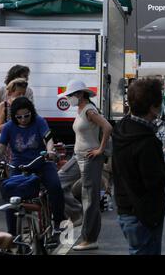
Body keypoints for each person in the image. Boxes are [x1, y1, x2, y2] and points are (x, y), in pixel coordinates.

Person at [112, 78, 165, 255]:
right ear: (153, 107)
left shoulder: (122, 129)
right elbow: (155, 180)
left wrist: (159, 154)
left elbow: (133, 162)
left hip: (125, 209)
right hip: (144, 214)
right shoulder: (148, 142)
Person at [0, 97, 65, 236]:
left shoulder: (39, 121)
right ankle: (12, 235)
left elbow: (48, 139)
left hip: (41, 163)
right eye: (19, 117)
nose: (23, 119)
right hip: (18, 166)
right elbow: (0, 146)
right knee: (12, 198)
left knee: (55, 187)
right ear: (14, 117)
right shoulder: (8, 127)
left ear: (31, 112)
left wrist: (49, 152)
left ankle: (58, 223)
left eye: (26, 115)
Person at [58, 80, 113, 251]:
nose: (69, 98)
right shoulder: (81, 109)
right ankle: (77, 215)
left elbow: (108, 127)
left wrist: (100, 150)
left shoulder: (89, 109)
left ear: (80, 94)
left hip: (90, 157)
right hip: (78, 156)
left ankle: (90, 239)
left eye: (71, 95)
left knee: (89, 198)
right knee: (58, 181)